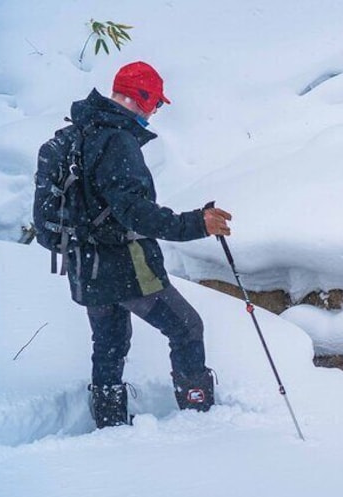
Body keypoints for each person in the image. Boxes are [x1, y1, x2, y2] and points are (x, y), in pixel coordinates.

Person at [64, 61, 232, 428]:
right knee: (186, 327)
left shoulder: (80, 132)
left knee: (109, 342)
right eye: (155, 102)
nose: (155, 112)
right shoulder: (117, 140)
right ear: (141, 98)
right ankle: (199, 416)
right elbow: (134, 212)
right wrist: (195, 223)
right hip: (123, 265)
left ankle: (110, 423)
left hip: (83, 263)